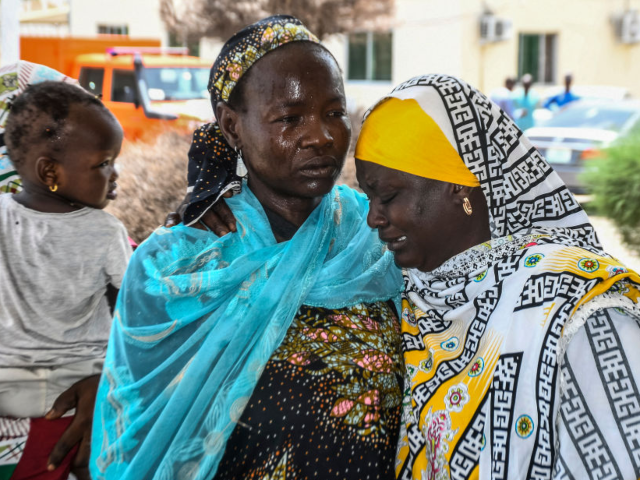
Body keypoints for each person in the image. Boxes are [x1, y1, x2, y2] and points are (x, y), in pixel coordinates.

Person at [90, 15, 403, 480]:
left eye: (334, 113)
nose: (321, 136)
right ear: (232, 125)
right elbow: (135, 428)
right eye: (290, 118)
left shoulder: (375, 236)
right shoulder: (176, 265)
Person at [354, 73, 640, 480]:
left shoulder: (578, 307)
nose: (373, 218)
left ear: (458, 186)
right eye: (369, 197)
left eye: (388, 196)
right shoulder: (412, 291)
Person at [0, 81, 131, 480]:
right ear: (51, 172)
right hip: (77, 399)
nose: (115, 173)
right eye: (104, 163)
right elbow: (138, 302)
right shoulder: (105, 231)